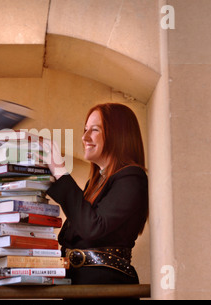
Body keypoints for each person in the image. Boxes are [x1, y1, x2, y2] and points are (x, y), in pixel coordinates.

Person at [44, 102, 148, 285]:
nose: (84, 137)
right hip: (77, 285)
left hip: (106, 289)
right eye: (85, 130)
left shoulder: (132, 177)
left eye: (95, 130)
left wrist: (60, 171)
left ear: (118, 134)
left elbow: (93, 228)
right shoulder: (95, 183)